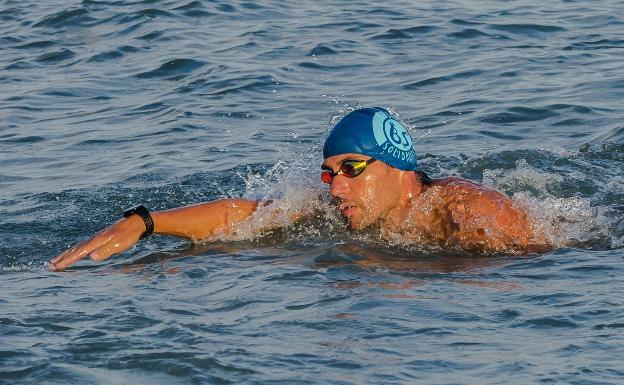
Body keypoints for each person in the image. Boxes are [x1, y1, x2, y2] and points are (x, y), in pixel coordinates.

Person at [50, 107, 546, 270]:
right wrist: (146, 221)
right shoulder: (337, 208)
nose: (335, 188)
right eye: (328, 173)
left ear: (398, 168)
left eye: (350, 168)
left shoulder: (467, 211)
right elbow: (240, 215)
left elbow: (526, 270)